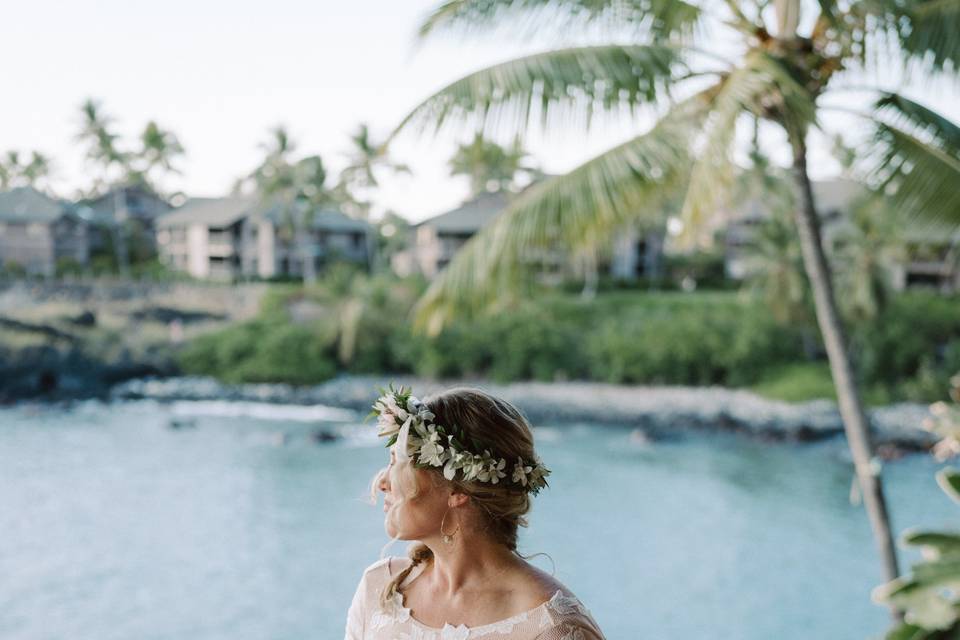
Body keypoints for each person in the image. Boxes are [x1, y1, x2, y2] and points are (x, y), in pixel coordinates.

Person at [345, 385, 605, 640]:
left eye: (396, 463)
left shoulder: (553, 629)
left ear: (457, 490)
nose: (382, 483)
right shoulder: (379, 588)